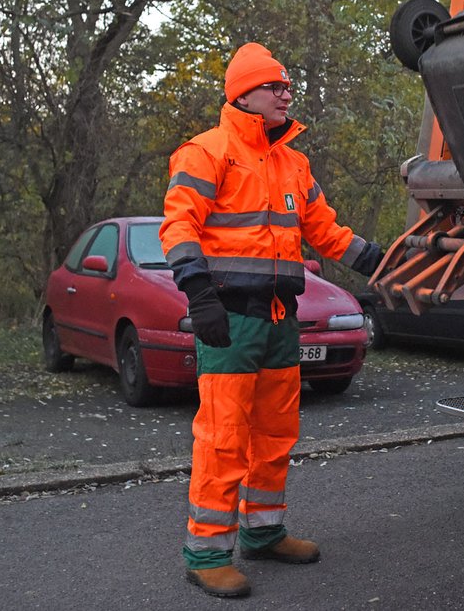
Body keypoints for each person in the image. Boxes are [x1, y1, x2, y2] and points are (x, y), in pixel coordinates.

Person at [161, 42, 383, 598]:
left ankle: (263, 533)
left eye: (287, 87)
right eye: (274, 87)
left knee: (276, 434)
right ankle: (207, 552)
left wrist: (380, 262)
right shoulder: (205, 153)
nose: (287, 94)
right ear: (244, 95)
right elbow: (179, 228)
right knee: (223, 438)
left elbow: (325, 231)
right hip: (231, 321)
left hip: (282, 320)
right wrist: (200, 296)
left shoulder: (293, 162)